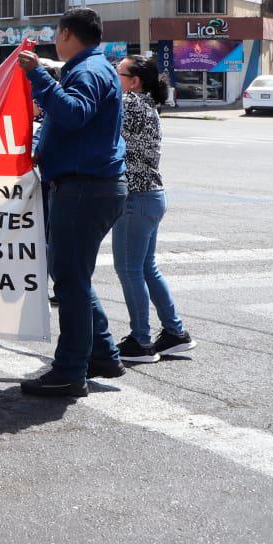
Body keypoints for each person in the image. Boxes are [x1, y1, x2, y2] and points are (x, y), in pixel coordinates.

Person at [18, 8, 129, 399]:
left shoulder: (86, 71)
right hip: (90, 186)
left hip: (84, 188)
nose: (55, 41)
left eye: (56, 34)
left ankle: (69, 371)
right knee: (73, 277)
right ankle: (101, 353)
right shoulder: (96, 67)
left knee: (69, 280)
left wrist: (38, 76)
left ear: (67, 34)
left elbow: (73, 114)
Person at [111, 54, 193, 363]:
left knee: (129, 270)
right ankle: (174, 333)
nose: (112, 76)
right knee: (146, 267)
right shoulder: (145, 104)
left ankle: (141, 341)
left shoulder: (129, 103)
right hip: (151, 196)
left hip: (135, 198)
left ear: (134, 81)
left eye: (117, 72)